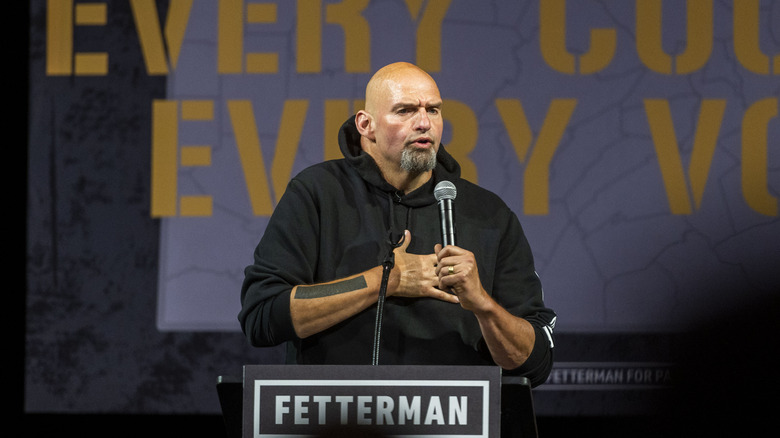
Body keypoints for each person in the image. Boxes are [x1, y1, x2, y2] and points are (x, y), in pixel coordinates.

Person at [239, 62, 556, 387]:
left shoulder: (489, 215)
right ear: (366, 125)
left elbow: (535, 364)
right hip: (336, 420)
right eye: (405, 111)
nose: (423, 123)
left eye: (433, 110)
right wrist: (385, 280)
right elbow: (263, 316)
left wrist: (483, 305)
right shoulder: (318, 194)